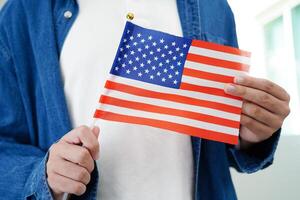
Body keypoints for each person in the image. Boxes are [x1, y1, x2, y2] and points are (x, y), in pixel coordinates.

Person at [0, 0, 290, 200]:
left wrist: (249, 135)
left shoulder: (212, 6)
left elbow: (221, 134)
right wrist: (45, 173)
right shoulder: (23, 14)